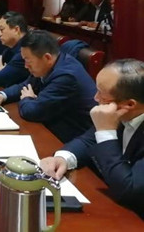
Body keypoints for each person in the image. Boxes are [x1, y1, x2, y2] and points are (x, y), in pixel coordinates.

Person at [39, 59, 144, 219]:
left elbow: (128, 191)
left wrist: (105, 132)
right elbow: (88, 140)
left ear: (129, 104)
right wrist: (63, 158)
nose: (95, 98)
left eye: (101, 93)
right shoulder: (122, 113)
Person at [0, 30, 97, 143]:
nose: (25, 66)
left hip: (69, 137)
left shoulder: (66, 76)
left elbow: (32, 112)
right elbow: (25, 85)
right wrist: (1, 96)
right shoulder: (50, 64)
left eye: (28, 60)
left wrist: (27, 98)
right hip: (50, 124)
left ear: (47, 57)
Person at [0, 11, 30, 87]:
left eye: (2, 30)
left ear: (16, 30)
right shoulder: (11, 46)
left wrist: (0, 71)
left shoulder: (24, 51)